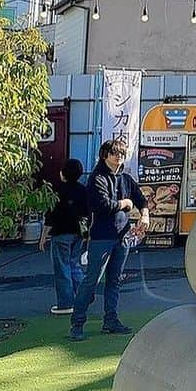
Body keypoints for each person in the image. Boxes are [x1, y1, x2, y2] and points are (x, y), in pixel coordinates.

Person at [69, 139, 149, 341]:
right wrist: (125, 203)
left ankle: (111, 321)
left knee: (114, 280)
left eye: (122, 153)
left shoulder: (126, 178)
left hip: (122, 237)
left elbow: (141, 199)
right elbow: (101, 204)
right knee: (92, 280)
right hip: (101, 237)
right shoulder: (97, 178)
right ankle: (77, 324)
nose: (119, 157)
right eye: (114, 153)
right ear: (105, 155)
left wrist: (145, 215)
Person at [38, 158, 89, 316]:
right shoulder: (83, 190)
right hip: (79, 233)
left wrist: (43, 237)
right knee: (74, 265)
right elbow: (88, 213)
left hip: (61, 233)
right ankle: (84, 297)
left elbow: (50, 216)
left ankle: (66, 303)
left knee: (62, 268)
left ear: (63, 173)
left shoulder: (57, 191)